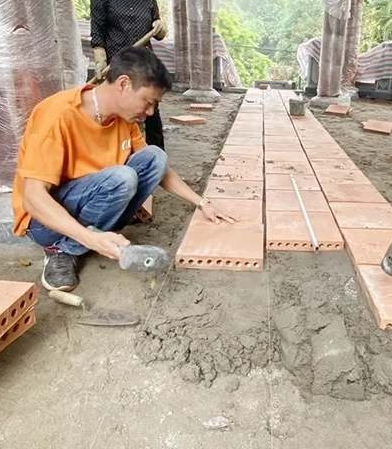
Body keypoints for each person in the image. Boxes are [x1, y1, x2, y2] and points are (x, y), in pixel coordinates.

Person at [12, 46, 233, 292]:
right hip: (45, 223)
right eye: (148, 102)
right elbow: (33, 198)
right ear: (124, 84)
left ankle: (96, 233)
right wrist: (90, 238)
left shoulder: (122, 119)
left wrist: (202, 203)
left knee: (155, 156)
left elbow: (158, 169)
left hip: (91, 198)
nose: (149, 112)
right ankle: (63, 250)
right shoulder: (58, 116)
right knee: (122, 178)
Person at [89, 0, 168, 149]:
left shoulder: (148, 0)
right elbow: (97, 31)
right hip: (117, 63)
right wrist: (100, 61)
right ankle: (115, 156)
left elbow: (159, 34)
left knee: (151, 110)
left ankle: (157, 157)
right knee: (117, 110)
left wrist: (160, 27)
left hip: (144, 64)